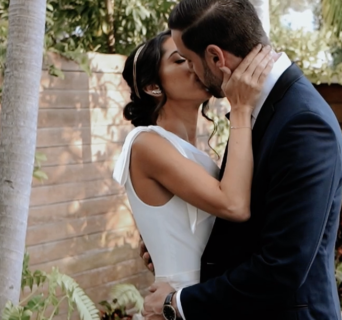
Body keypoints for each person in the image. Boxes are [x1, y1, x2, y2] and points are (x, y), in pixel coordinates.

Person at [139, 0, 342, 319]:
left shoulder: (304, 124)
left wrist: (177, 304)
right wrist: (180, 244)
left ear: (215, 57)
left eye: (190, 61)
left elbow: (282, 268)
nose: (193, 73)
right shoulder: (257, 106)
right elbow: (250, 230)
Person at [111, 30, 279, 316]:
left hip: (211, 298)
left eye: (194, 57)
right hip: (181, 305)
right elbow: (234, 205)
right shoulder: (146, 143)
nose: (196, 65)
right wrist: (239, 109)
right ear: (153, 86)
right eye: (181, 60)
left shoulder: (195, 152)